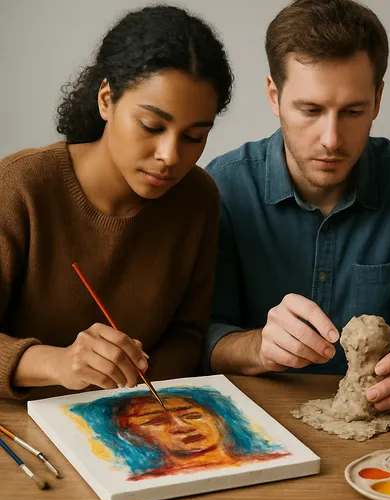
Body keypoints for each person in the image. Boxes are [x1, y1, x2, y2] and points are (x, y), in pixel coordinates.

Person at [205, 0, 390, 412]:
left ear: (378, 98)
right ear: (274, 96)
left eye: (353, 111)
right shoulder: (224, 186)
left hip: (380, 421)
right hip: (254, 419)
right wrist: (258, 346)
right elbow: (202, 336)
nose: (331, 139)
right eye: (310, 110)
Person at [0, 5, 233, 399]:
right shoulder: (20, 186)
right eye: (152, 126)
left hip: (131, 417)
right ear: (106, 99)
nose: (170, 156)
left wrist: (130, 386)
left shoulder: (198, 198)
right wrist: (59, 363)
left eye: (194, 136)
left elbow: (187, 336)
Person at [69, 390, 288, 480]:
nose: (181, 426)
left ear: (218, 419)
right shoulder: (143, 482)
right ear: (132, 435)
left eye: (192, 415)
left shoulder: (275, 461)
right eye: (156, 421)